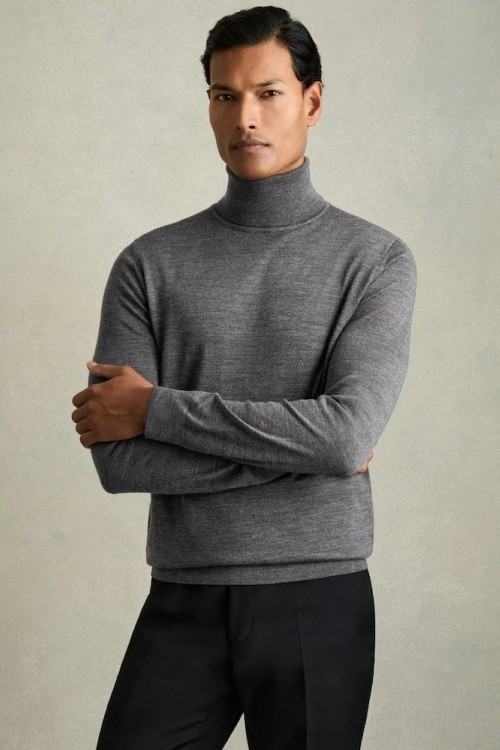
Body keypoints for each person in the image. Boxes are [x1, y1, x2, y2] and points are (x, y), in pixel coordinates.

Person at [71, 6, 416, 749]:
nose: (245, 117)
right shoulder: (148, 264)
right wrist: (312, 453)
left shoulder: (375, 260)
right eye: (224, 96)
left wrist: (155, 410)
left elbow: (342, 436)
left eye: (268, 93)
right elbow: (120, 463)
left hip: (319, 595)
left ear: (312, 102)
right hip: (184, 594)